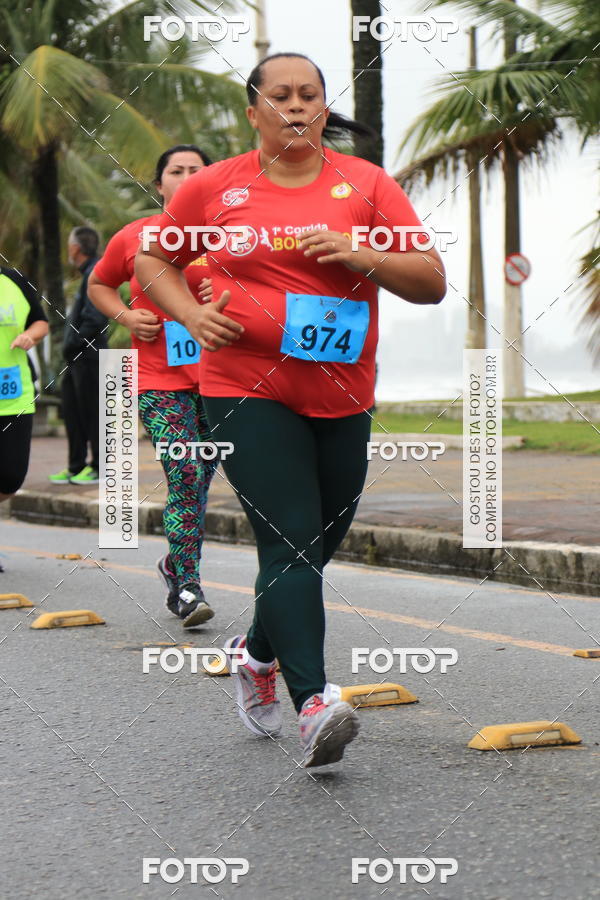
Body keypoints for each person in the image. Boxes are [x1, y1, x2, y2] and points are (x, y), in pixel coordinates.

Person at [135, 54, 446, 766]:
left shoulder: (364, 185)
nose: (296, 106)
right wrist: (189, 313)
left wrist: (358, 252)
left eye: (309, 94)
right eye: (280, 96)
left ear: (323, 106)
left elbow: (430, 282)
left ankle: (256, 651)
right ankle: (314, 702)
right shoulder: (214, 188)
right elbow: (153, 263)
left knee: (318, 544)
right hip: (243, 386)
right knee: (294, 540)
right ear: (254, 112)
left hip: (342, 392)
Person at [89, 145, 218, 628]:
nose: (186, 179)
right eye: (176, 172)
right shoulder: (134, 236)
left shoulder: (230, 236)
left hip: (220, 379)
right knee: (185, 473)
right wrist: (127, 314)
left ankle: (173, 563)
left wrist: (224, 298)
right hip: (159, 380)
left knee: (199, 480)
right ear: (159, 184)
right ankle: (187, 585)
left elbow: (266, 294)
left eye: (196, 172)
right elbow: (99, 285)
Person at [49, 226, 108, 485]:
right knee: (72, 413)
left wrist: (75, 343)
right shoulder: (86, 274)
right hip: (76, 359)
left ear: (75, 248)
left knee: (93, 413)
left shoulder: (96, 272)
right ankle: (75, 467)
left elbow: (95, 319)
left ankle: (98, 467)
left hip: (90, 357)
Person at [0, 266, 49, 509]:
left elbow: (40, 322)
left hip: (13, 395)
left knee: (11, 478)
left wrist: (30, 335)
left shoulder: (14, 279)